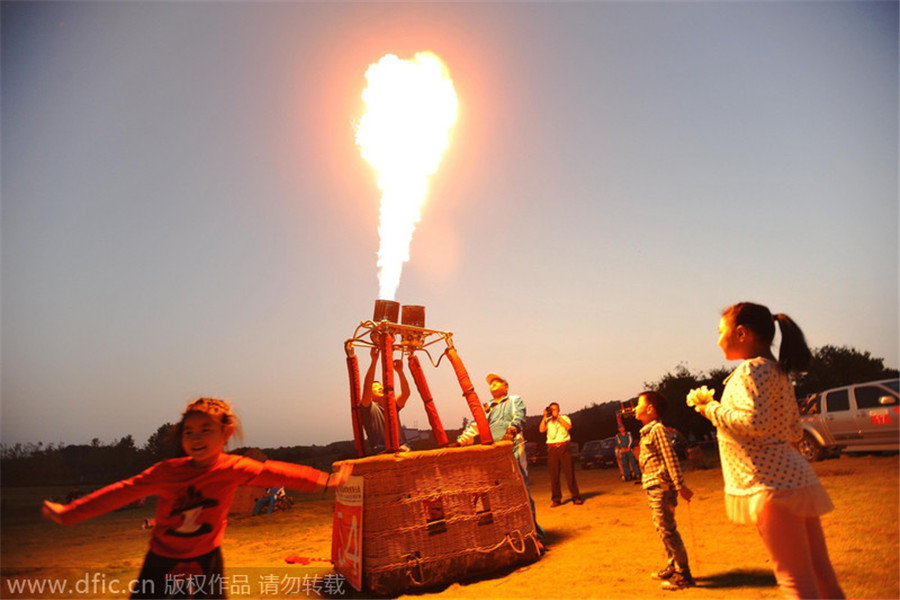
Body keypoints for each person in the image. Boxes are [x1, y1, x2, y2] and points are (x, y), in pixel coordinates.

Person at [42, 397, 352, 600]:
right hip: (161, 561)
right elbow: (123, 491)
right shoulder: (166, 471)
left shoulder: (234, 468)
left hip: (207, 560)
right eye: (189, 432)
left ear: (225, 432)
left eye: (206, 430)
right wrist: (69, 513)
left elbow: (277, 474)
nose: (196, 438)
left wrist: (325, 481)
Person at [693, 302, 844, 599]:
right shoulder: (777, 371)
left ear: (741, 333)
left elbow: (753, 421)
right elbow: (793, 431)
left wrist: (710, 408)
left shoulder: (750, 371)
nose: (718, 338)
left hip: (770, 486)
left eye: (720, 331)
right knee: (820, 572)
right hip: (797, 479)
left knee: (795, 579)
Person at [454, 373, 545, 540]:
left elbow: (519, 416)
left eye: (497, 382)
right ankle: (507, 533)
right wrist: (460, 442)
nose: (493, 385)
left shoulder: (514, 400)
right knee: (498, 492)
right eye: (491, 383)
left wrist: (510, 432)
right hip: (493, 453)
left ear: (506, 387)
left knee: (520, 488)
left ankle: (533, 534)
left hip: (513, 449)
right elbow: (475, 425)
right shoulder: (486, 407)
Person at [635, 391, 695, 591]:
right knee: (661, 528)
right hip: (652, 487)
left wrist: (680, 485)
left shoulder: (658, 430)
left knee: (668, 530)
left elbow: (670, 458)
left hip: (661, 487)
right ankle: (672, 565)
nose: (635, 407)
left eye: (638, 403)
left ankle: (683, 573)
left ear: (650, 408)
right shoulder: (647, 431)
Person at [360, 347, 411, 453]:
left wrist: (400, 372)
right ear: (371, 394)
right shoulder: (369, 409)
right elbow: (366, 387)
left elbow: (406, 394)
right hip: (381, 450)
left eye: (381, 386)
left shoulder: (392, 406)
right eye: (376, 387)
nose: (381, 387)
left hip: (402, 448)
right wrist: (374, 361)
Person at [539, 402, 583, 506]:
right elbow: (541, 430)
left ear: (559, 410)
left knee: (569, 473)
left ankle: (576, 497)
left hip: (564, 447)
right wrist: (544, 416)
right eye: (551, 409)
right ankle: (556, 499)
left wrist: (557, 417)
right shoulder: (547, 420)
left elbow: (568, 426)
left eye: (555, 409)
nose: (553, 411)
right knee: (554, 475)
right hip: (552, 449)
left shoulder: (564, 418)